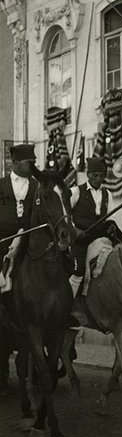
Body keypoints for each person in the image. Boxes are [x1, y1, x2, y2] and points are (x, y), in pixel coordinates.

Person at [0, 143, 38, 395]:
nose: (32, 166)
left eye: (33, 162)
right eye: (28, 162)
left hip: (29, 244)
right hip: (2, 246)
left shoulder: (37, 185)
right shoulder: (0, 185)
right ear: (16, 163)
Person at [69, 156, 122, 298]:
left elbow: (110, 217)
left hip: (100, 238)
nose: (98, 179)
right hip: (81, 239)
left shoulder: (108, 194)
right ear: (88, 175)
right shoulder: (76, 192)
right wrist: (75, 230)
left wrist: (112, 228)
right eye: (95, 175)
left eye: (101, 176)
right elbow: (65, 215)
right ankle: (69, 304)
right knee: (78, 272)